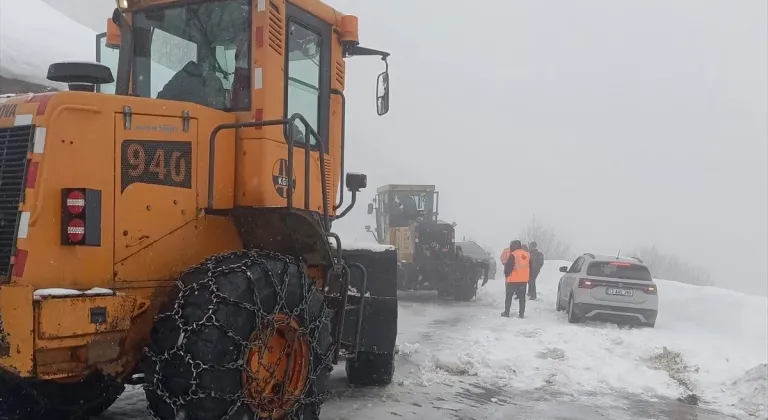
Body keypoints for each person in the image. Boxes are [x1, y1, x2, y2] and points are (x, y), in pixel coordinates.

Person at [501, 240, 530, 318]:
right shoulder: (527, 254)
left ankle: (506, 312)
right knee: (522, 298)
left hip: (513, 280)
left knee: (509, 296)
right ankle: (521, 314)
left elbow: (508, 267)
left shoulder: (513, 255)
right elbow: (530, 266)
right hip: (523, 280)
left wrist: (506, 275)